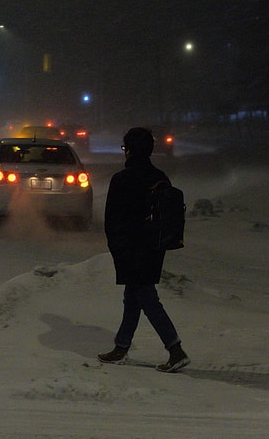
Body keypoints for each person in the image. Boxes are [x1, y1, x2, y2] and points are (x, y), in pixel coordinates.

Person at [98, 127, 190, 373]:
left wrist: (117, 249)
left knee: (147, 298)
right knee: (134, 296)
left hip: (130, 248)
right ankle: (122, 346)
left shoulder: (122, 180)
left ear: (129, 150)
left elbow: (112, 220)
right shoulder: (159, 176)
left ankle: (175, 349)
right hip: (154, 247)